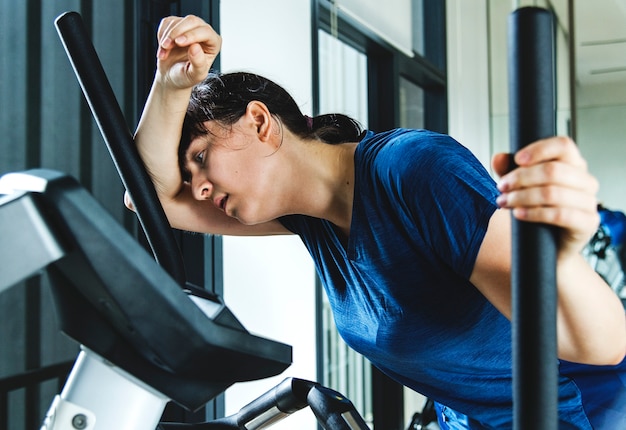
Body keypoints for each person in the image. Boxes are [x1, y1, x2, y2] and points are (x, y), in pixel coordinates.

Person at [131, 15, 626, 429]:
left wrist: (558, 254)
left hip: (566, 414)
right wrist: (172, 84)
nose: (195, 186)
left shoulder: (414, 171)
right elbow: (147, 197)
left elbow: (600, 344)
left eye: (200, 156)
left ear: (259, 121)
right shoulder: (310, 219)